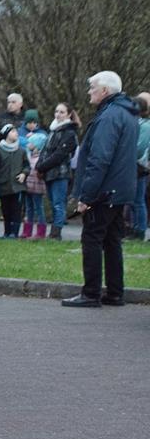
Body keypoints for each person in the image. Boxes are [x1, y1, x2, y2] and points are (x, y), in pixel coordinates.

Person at [62, 71, 139, 307]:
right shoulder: (127, 114)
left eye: (92, 87)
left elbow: (100, 159)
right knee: (113, 241)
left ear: (104, 91)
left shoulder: (108, 117)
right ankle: (115, 292)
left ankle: (91, 293)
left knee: (92, 238)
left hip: (104, 192)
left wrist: (86, 196)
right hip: (121, 190)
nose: (89, 91)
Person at [35, 103, 81, 240]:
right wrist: (39, 165)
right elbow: (45, 151)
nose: (58, 114)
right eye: (56, 111)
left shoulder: (70, 133)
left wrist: (42, 166)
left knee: (58, 203)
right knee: (52, 201)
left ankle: (56, 233)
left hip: (61, 173)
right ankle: (54, 231)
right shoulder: (53, 130)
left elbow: (60, 155)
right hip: (49, 172)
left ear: (68, 114)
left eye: (61, 112)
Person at [0, 125, 28, 238]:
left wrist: (24, 173)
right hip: (3, 185)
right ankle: (6, 232)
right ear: (6, 134)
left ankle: (14, 233)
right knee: (6, 210)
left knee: (16, 210)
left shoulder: (21, 151)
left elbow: (26, 165)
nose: (16, 133)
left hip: (17, 186)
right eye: (13, 131)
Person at [130, 93, 149, 241]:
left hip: (139, 167)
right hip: (133, 166)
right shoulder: (137, 123)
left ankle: (140, 230)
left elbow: (139, 148)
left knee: (138, 200)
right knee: (133, 199)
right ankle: (134, 227)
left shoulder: (145, 125)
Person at [22, 131, 48, 239]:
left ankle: (41, 232)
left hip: (37, 188)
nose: (28, 145)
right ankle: (27, 231)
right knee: (29, 208)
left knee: (39, 208)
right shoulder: (29, 156)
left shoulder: (41, 158)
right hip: (28, 187)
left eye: (30, 143)